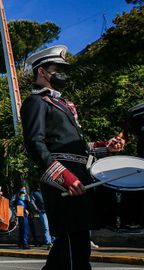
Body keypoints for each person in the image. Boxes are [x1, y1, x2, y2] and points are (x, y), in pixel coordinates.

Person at [20, 45, 125, 270]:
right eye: (57, 69)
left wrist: (107, 147)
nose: (62, 74)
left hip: (80, 178)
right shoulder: (36, 102)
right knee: (71, 247)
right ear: (42, 72)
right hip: (63, 183)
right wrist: (63, 176)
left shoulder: (61, 103)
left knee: (76, 247)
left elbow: (76, 149)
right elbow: (34, 143)